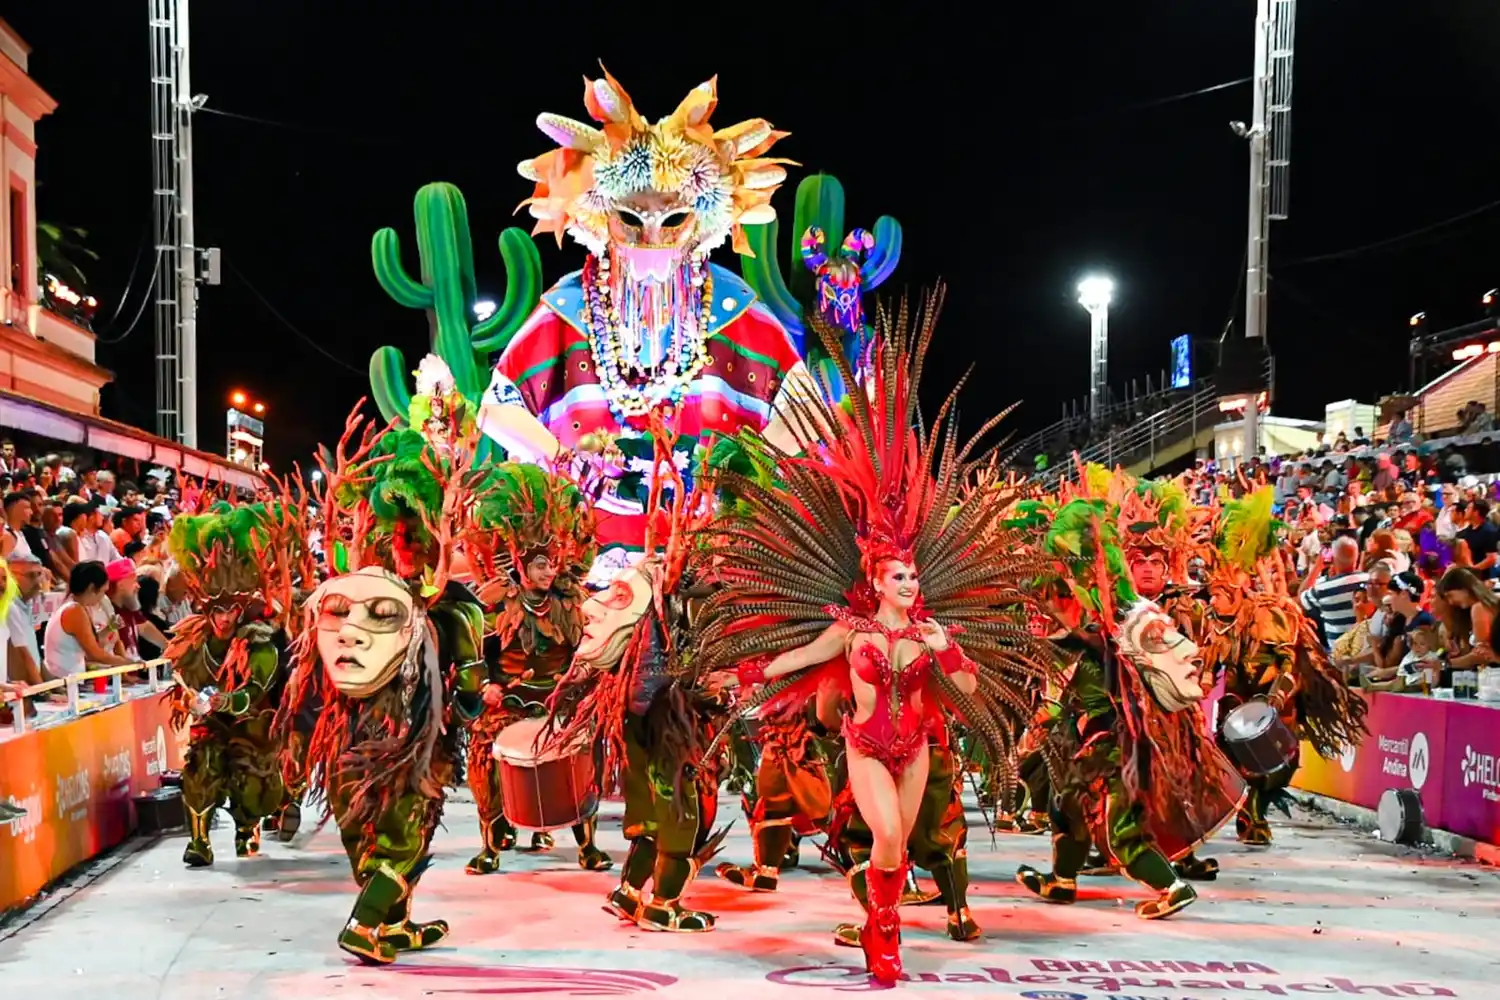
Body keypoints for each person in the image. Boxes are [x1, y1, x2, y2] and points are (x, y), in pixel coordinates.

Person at [702, 294, 1048, 983]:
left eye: (913, 576)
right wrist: (742, 676)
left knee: (899, 852)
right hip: (866, 745)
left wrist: (952, 652)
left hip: (915, 745)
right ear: (876, 579)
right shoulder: (850, 629)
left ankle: (878, 922)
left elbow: (972, 687)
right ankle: (883, 931)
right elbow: (794, 660)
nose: (910, 585)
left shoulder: (929, 631)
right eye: (898, 576)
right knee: (886, 837)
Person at [477, 69, 820, 585]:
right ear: (599, 216)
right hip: (590, 563)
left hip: (709, 565)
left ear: (704, 221)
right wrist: (563, 459)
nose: (653, 235)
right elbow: (495, 407)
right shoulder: (570, 304)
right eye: (632, 218)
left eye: (674, 218)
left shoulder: (730, 304)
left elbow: (806, 407)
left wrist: (747, 472)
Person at [43, 561, 135, 678]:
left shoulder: (76, 607)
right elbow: (95, 654)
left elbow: (94, 644)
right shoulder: (74, 610)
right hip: (64, 679)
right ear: (92, 588)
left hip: (69, 677)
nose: (103, 597)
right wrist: (128, 663)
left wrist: (109, 629)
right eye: (103, 591)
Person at [1435, 566, 1499, 671]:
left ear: (1464, 589)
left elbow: (1482, 654)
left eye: (1450, 595)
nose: (1451, 602)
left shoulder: (1478, 608)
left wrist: (1445, 664)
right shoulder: (1489, 604)